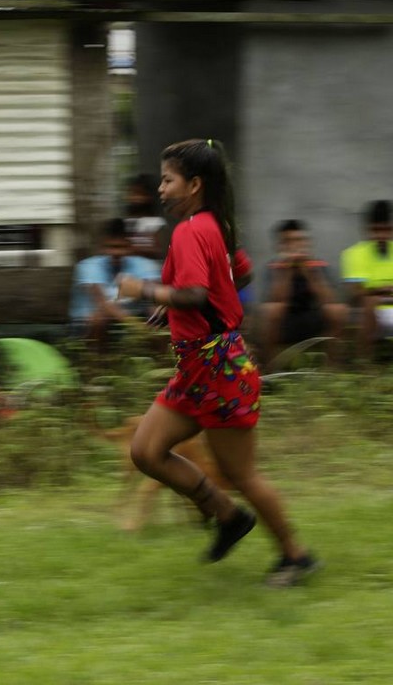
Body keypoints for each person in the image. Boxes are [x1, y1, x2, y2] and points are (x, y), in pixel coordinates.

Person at [117, 139, 317, 587]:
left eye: (168, 180)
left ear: (194, 184)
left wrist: (144, 291)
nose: (162, 189)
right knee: (146, 450)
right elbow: (235, 275)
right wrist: (177, 309)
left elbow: (196, 293)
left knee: (241, 473)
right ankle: (227, 518)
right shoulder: (213, 226)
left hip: (220, 369)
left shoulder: (192, 231)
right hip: (198, 369)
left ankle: (296, 556)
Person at [259, 219, 347, 367]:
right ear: (280, 246)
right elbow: (275, 300)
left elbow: (329, 299)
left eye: (299, 240)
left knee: (338, 310)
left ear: (307, 243)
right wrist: (287, 270)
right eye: (288, 242)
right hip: (285, 324)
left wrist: (309, 273)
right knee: (270, 310)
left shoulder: (318, 265)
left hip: (313, 318)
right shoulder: (274, 267)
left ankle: (333, 367)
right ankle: (270, 369)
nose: (295, 246)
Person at [69, 217, 160, 348]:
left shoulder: (144, 265)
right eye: (111, 247)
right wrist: (140, 328)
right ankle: (97, 364)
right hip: (87, 325)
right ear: (102, 247)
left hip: (128, 320)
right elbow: (104, 305)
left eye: (121, 247)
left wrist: (155, 325)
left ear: (129, 247)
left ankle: (162, 363)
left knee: (158, 319)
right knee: (99, 317)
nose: (116, 253)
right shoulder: (89, 266)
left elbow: (155, 299)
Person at [340, 199, 393, 362]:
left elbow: (364, 289)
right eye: (376, 230)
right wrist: (382, 292)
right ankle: (365, 367)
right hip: (372, 311)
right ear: (367, 230)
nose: (381, 236)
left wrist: (375, 290)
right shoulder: (353, 254)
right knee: (369, 303)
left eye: (386, 230)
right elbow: (356, 291)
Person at [122, 173, 167, 260]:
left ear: (149, 196)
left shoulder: (157, 222)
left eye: (139, 194)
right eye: (132, 193)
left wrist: (133, 248)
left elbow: (158, 249)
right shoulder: (126, 222)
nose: (134, 198)